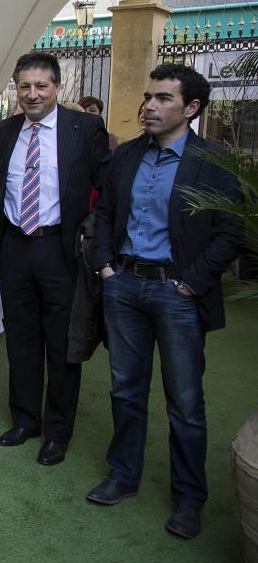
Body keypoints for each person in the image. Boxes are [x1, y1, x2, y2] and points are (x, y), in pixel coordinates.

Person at [87, 64, 240, 540]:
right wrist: (108, 269)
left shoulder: (214, 162)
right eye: (149, 96)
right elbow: (104, 214)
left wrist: (190, 285)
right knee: (125, 391)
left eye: (163, 99)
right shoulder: (127, 156)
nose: (149, 106)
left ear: (191, 108)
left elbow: (229, 231)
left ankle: (189, 499)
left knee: (186, 403)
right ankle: (123, 476)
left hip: (178, 293)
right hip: (125, 286)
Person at [0, 51, 110, 465]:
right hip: (16, 248)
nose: (32, 94)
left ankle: (57, 432)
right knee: (21, 340)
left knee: (62, 345)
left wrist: (94, 242)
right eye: (24, 86)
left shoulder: (86, 128)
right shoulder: (5, 132)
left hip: (60, 249)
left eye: (41, 86)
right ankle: (25, 419)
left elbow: (108, 191)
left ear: (58, 88)